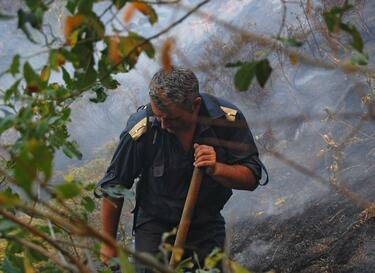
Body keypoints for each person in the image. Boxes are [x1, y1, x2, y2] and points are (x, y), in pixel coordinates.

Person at [96, 66, 268, 272]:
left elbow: (251, 178)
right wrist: (108, 244)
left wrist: (216, 168)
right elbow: (114, 186)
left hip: (206, 221)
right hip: (154, 225)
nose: (163, 124)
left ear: (195, 105)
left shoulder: (225, 121)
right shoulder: (143, 128)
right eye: (159, 115)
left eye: (172, 118)